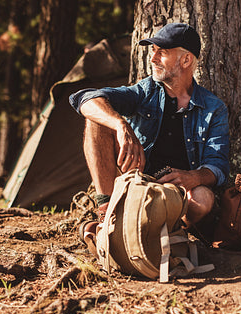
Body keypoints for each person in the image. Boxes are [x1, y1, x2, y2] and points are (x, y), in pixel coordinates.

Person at [69, 22, 230, 254]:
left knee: (204, 198)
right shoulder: (145, 91)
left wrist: (193, 177)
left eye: (161, 52)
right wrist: (120, 124)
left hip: (175, 196)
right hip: (132, 183)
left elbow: (218, 166)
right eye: (152, 50)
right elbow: (84, 99)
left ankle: (169, 232)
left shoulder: (214, 108)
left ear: (185, 61)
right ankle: (107, 219)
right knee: (96, 118)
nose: (152, 58)